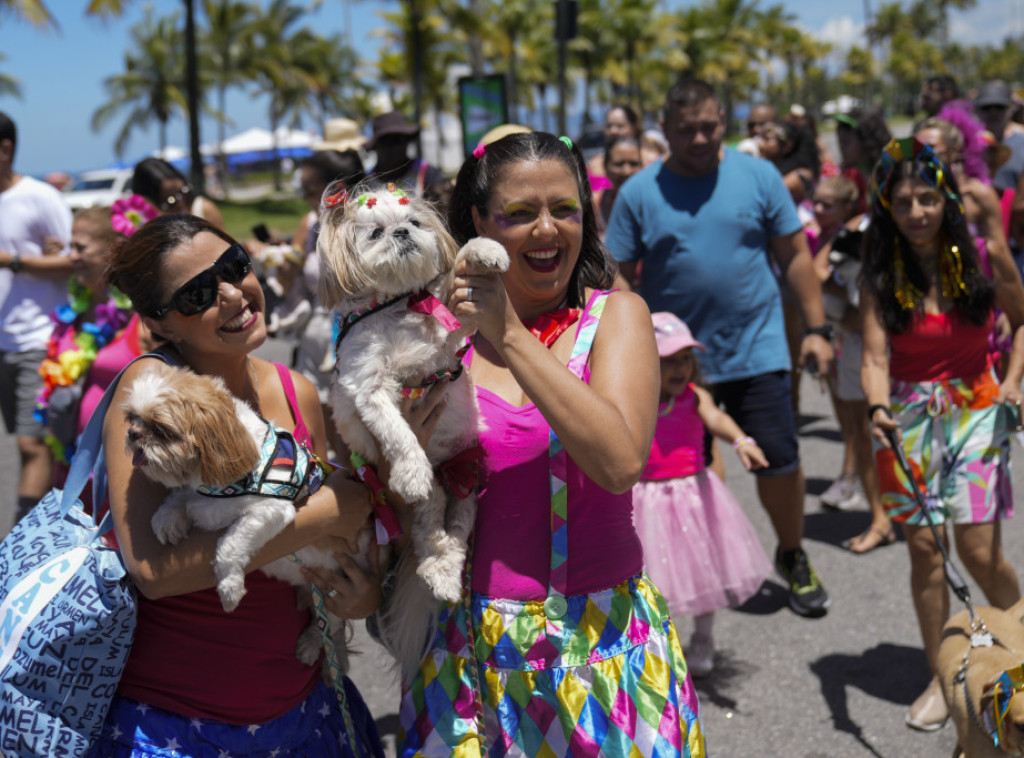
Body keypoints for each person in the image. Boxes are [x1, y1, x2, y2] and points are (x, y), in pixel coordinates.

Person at [394, 131, 705, 756]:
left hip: (603, 648)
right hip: (468, 657)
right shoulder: (434, 341)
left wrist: (508, 335)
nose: (547, 229)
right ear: (478, 222)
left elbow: (619, 463)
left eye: (565, 209)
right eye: (519, 213)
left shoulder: (618, 317)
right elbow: (400, 500)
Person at [85, 214, 386, 757]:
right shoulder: (151, 392)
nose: (231, 294)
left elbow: (319, 561)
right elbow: (153, 571)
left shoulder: (298, 392)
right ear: (162, 322)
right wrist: (329, 513)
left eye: (235, 267)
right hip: (178, 728)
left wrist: (359, 597)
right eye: (197, 293)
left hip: (302, 713)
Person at [605, 76, 834, 618]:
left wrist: (819, 331)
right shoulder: (640, 192)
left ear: (723, 124)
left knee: (778, 460)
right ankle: (682, 570)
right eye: (687, 130)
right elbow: (617, 275)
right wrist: (630, 346)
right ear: (665, 129)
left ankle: (792, 552)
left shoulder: (758, 177)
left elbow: (795, 257)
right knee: (671, 471)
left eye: (709, 127)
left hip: (757, 346)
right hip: (674, 364)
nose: (700, 139)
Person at [861, 138, 1024, 732]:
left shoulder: (984, 253)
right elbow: (875, 359)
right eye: (902, 203)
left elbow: (1023, 319)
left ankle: (1018, 640)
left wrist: (1011, 384)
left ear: (946, 197)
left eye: (928, 198)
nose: (917, 213)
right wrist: (877, 407)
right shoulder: (879, 275)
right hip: (906, 418)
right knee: (927, 552)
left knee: (980, 552)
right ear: (888, 208)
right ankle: (942, 671)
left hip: (977, 405)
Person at [633, 311, 770, 678]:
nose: (680, 369)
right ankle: (658, 641)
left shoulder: (696, 396)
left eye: (685, 359)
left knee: (702, 571)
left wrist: (741, 440)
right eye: (668, 361)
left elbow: (717, 419)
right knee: (654, 575)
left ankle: (703, 638)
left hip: (693, 494)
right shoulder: (637, 398)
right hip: (646, 498)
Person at [811, 176, 895, 553]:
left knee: (884, 432)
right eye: (817, 202)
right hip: (850, 346)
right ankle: (879, 517)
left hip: (876, 346)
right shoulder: (833, 239)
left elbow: (868, 310)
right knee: (860, 433)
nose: (818, 210)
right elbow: (815, 276)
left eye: (828, 204)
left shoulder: (870, 234)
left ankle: (900, 511)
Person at [0, 110, 73, 528]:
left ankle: (21, 536)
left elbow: (75, 263)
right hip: (3, 342)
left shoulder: (40, 197)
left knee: (34, 444)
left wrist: (11, 260)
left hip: (39, 338)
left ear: (5, 148)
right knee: (26, 444)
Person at [291, 149, 366, 460]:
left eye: (310, 188)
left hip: (352, 335)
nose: (304, 195)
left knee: (358, 433)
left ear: (334, 188)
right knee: (327, 430)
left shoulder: (359, 223)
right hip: (317, 337)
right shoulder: (312, 224)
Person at [365, 110, 450, 205]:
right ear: (376, 146)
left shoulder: (426, 173)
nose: (397, 146)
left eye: (401, 139)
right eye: (389, 141)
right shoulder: (366, 182)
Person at [131, 156, 226, 231]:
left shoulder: (203, 210)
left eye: (185, 192)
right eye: (170, 202)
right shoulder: (146, 229)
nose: (182, 203)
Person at [833, 106, 893, 214]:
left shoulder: (888, 174)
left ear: (867, 141)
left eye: (846, 142)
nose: (841, 148)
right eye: (840, 142)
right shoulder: (849, 175)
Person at [975, 81, 1024, 196]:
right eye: (986, 108)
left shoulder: (1022, 143)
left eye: (999, 107)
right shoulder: (967, 145)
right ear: (976, 110)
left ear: (1010, 109)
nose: (993, 112)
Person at [594, 135, 642, 238]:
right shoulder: (595, 204)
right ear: (606, 167)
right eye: (619, 164)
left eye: (633, 164)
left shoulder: (651, 205)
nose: (626, 171)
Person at [586, 104, 642, 185]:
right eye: (609, 126)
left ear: (634, 128)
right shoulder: (593, 166)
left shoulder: (648, 159)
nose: (613, 131)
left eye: (620, 126)